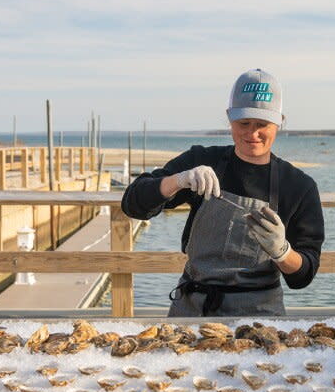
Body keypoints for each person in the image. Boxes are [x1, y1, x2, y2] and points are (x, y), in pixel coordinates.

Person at [121, 68, 324, 316]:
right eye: (244, 123)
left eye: (262, 124)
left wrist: (282, 252)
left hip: (259, 313)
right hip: (192, 308)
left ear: (280, 121)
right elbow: (132, 204)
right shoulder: (202, 160)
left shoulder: (298, 186)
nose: (252, 133)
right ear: (229, 117)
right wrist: (178, 180)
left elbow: (303, 275)